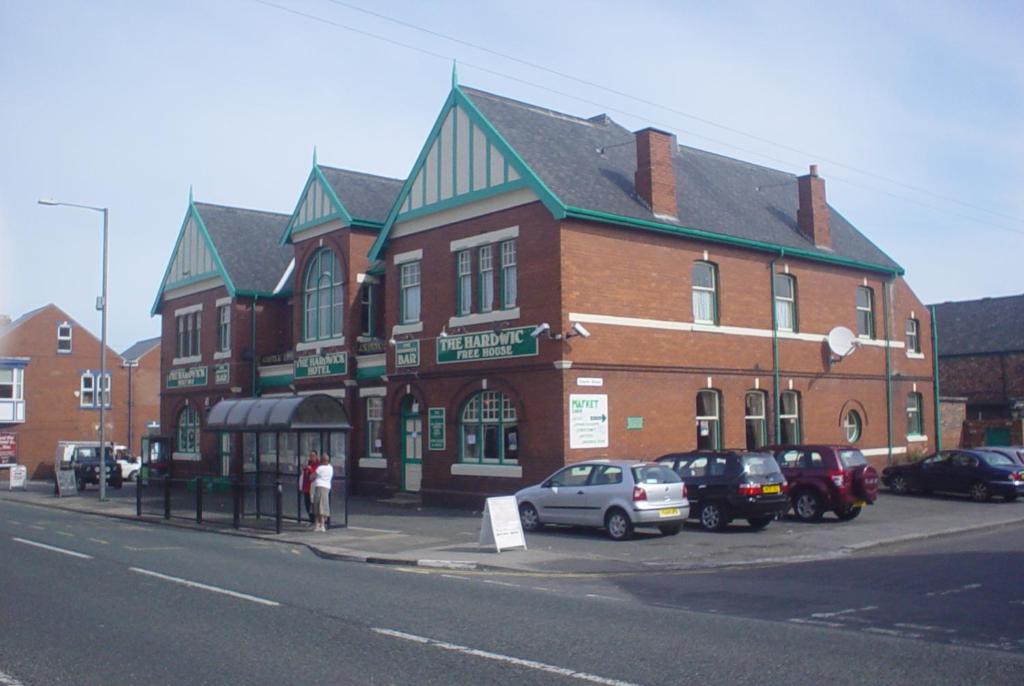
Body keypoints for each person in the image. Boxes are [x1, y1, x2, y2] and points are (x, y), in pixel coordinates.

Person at [312, 453, 333, 532]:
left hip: (320, 487)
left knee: (318, 505)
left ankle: (320, 525)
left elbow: (312, 476)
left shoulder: (320, 468)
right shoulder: (330, 468)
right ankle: (320, 525)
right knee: (323, 505)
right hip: (327, 487)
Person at [300, 451, 318, 524]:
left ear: (316, 456)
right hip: (306, 487)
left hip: (313, 487)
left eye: (313, 456)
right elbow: (304, 475)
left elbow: (315, 474)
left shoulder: (317, 464)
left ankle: (314, 520)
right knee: (307, 503)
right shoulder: (308, 463)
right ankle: (311, 519)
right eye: (310, 456)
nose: (311, 457)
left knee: (313, 504)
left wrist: (310, 469)